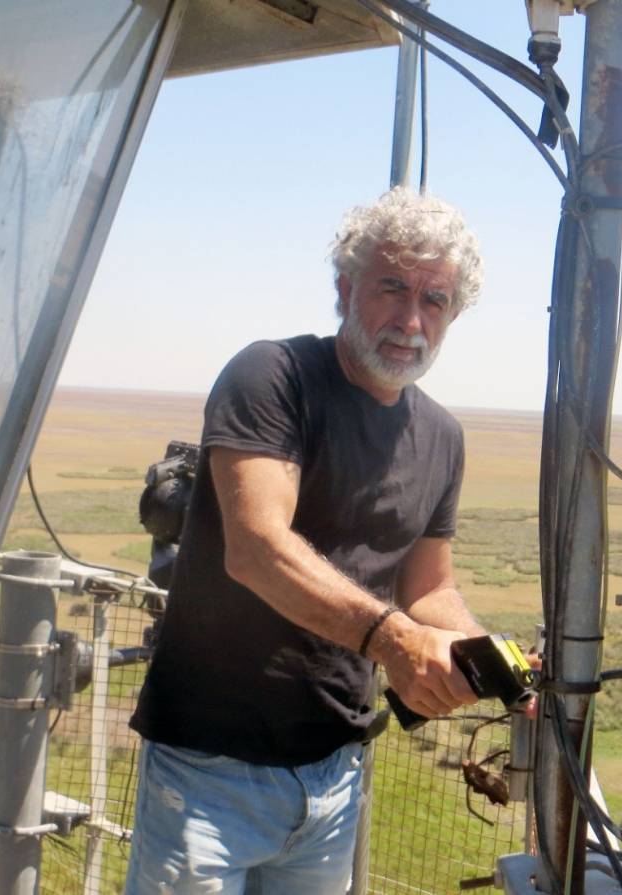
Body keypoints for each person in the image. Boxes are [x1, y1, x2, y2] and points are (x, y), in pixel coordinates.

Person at [125, 188, 487, 895]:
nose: (411, 320)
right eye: (392, 287)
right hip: (207, 767)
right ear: (345, 288)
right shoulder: (273, 377)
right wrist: (394, 641)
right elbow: (257, 548)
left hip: (333, 772)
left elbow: (429, 589)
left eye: (435, 300)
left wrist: (483, 654)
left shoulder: (441, 436)